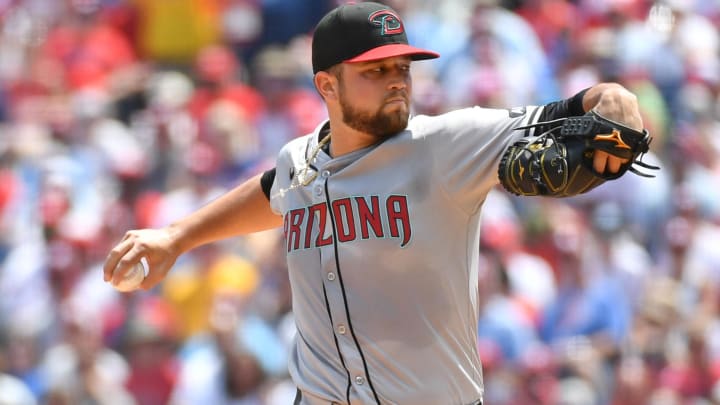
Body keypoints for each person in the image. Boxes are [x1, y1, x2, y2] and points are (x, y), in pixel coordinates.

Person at [104, 2, 648, 404]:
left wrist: (616, 104)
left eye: (402, 69)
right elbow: (275, 189)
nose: (397, 84)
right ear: (328, 85)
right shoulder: (302, 159)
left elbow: (586, 105)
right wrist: (177, 237)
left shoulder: (447, 144)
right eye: (376, 71)